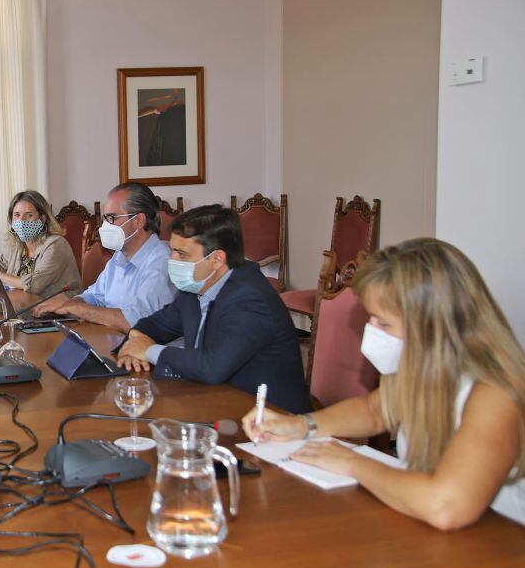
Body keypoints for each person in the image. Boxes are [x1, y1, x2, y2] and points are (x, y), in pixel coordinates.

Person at [244, 239, 525, 529]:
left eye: (384, 324)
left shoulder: (496, 393)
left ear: (434, 326)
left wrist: (351, 462)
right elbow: (374, 411)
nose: (372, 333)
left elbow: (447, 506)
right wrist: (301, 426)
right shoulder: (425, 369)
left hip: (498, 545)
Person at [117, 204, 309, 414]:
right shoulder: (195, 287)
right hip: (213, 404)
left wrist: (148, 350)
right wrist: (134, 346)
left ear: (216, 259)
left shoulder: (250, 299)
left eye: (182, 254)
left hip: (270, 421)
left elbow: (211, 367)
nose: (171, 260)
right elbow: (155, 324)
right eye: (172, 250)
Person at [32, 182, 175, 331]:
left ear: (138, 220)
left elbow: (138, 322)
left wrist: (78, 309)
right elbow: (95, 297)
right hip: (110, 342)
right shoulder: (119, 257)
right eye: (105, 219)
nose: (104, 226)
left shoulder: (163, 261)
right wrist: (69, 303)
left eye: (111, 218)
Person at [0, 190, 81, 298]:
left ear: (42, 219)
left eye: (28, 215)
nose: (21, 221)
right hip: (25, 308)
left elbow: (35, 285)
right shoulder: (19, 246)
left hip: (59, 312)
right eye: (16, 215)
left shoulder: (56, 245)